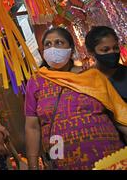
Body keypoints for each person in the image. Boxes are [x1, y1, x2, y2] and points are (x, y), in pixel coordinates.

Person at [25, 27, 127, 170]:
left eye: (59, 43)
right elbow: (32, 127)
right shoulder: (35, 82)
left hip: (111, 159)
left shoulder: (93, 77)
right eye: (47, 45)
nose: (52, 48)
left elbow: (119, 116)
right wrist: (33, 164)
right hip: (64, 162)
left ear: (71, 49)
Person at [85, 26, 127, 102]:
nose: (112, 52)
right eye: (105, 50)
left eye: (115, 48)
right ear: (91, 52)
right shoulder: (84, 80)